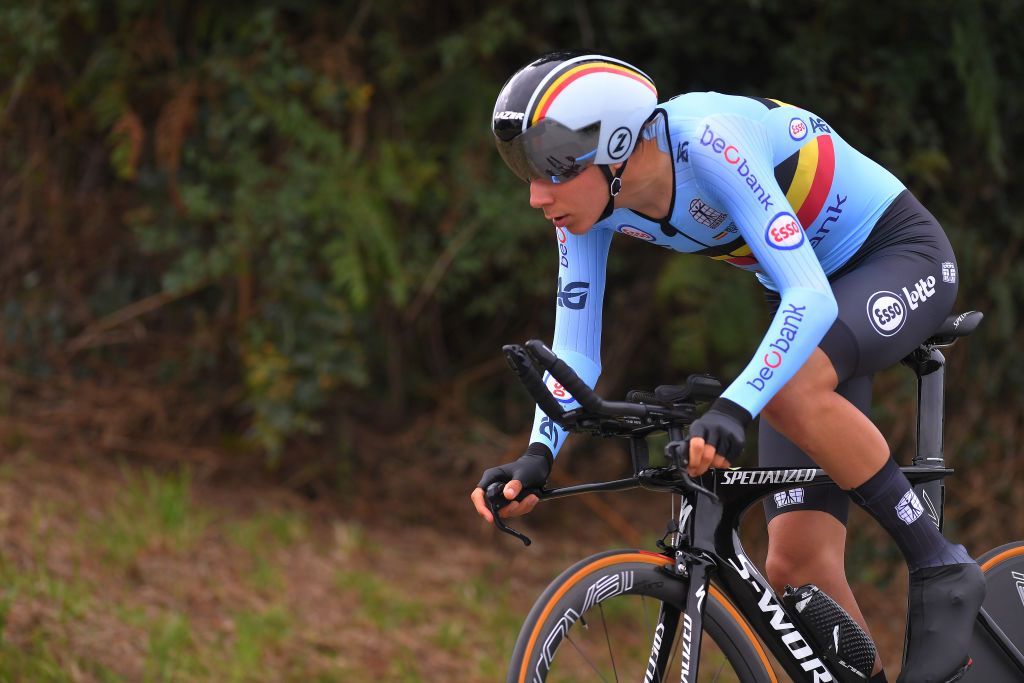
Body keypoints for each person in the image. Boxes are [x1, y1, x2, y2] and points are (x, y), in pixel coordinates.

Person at [470, 51, 984, 683]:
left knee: (787, 392)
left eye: (549, 168)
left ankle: (941, 568)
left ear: (617, 147)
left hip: (895, 255)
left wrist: (736, 406)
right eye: (525, 169)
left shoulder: (708, 140)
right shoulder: (589, 207)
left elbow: (809, 297)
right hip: (810, 292)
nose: (535, 194)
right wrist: (539, 453)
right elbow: (575, 350)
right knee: (797, 568)